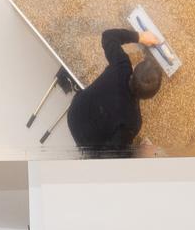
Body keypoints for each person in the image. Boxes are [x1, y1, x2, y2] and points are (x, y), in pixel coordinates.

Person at [67, 28, 165, 156]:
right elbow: (114, 153)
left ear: (133, 72)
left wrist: (140, 37)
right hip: (87, 145)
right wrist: (138, 153)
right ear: (149, 97)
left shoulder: (121, 65)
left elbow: (108, 36)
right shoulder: (133, 121)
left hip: (73, 114)